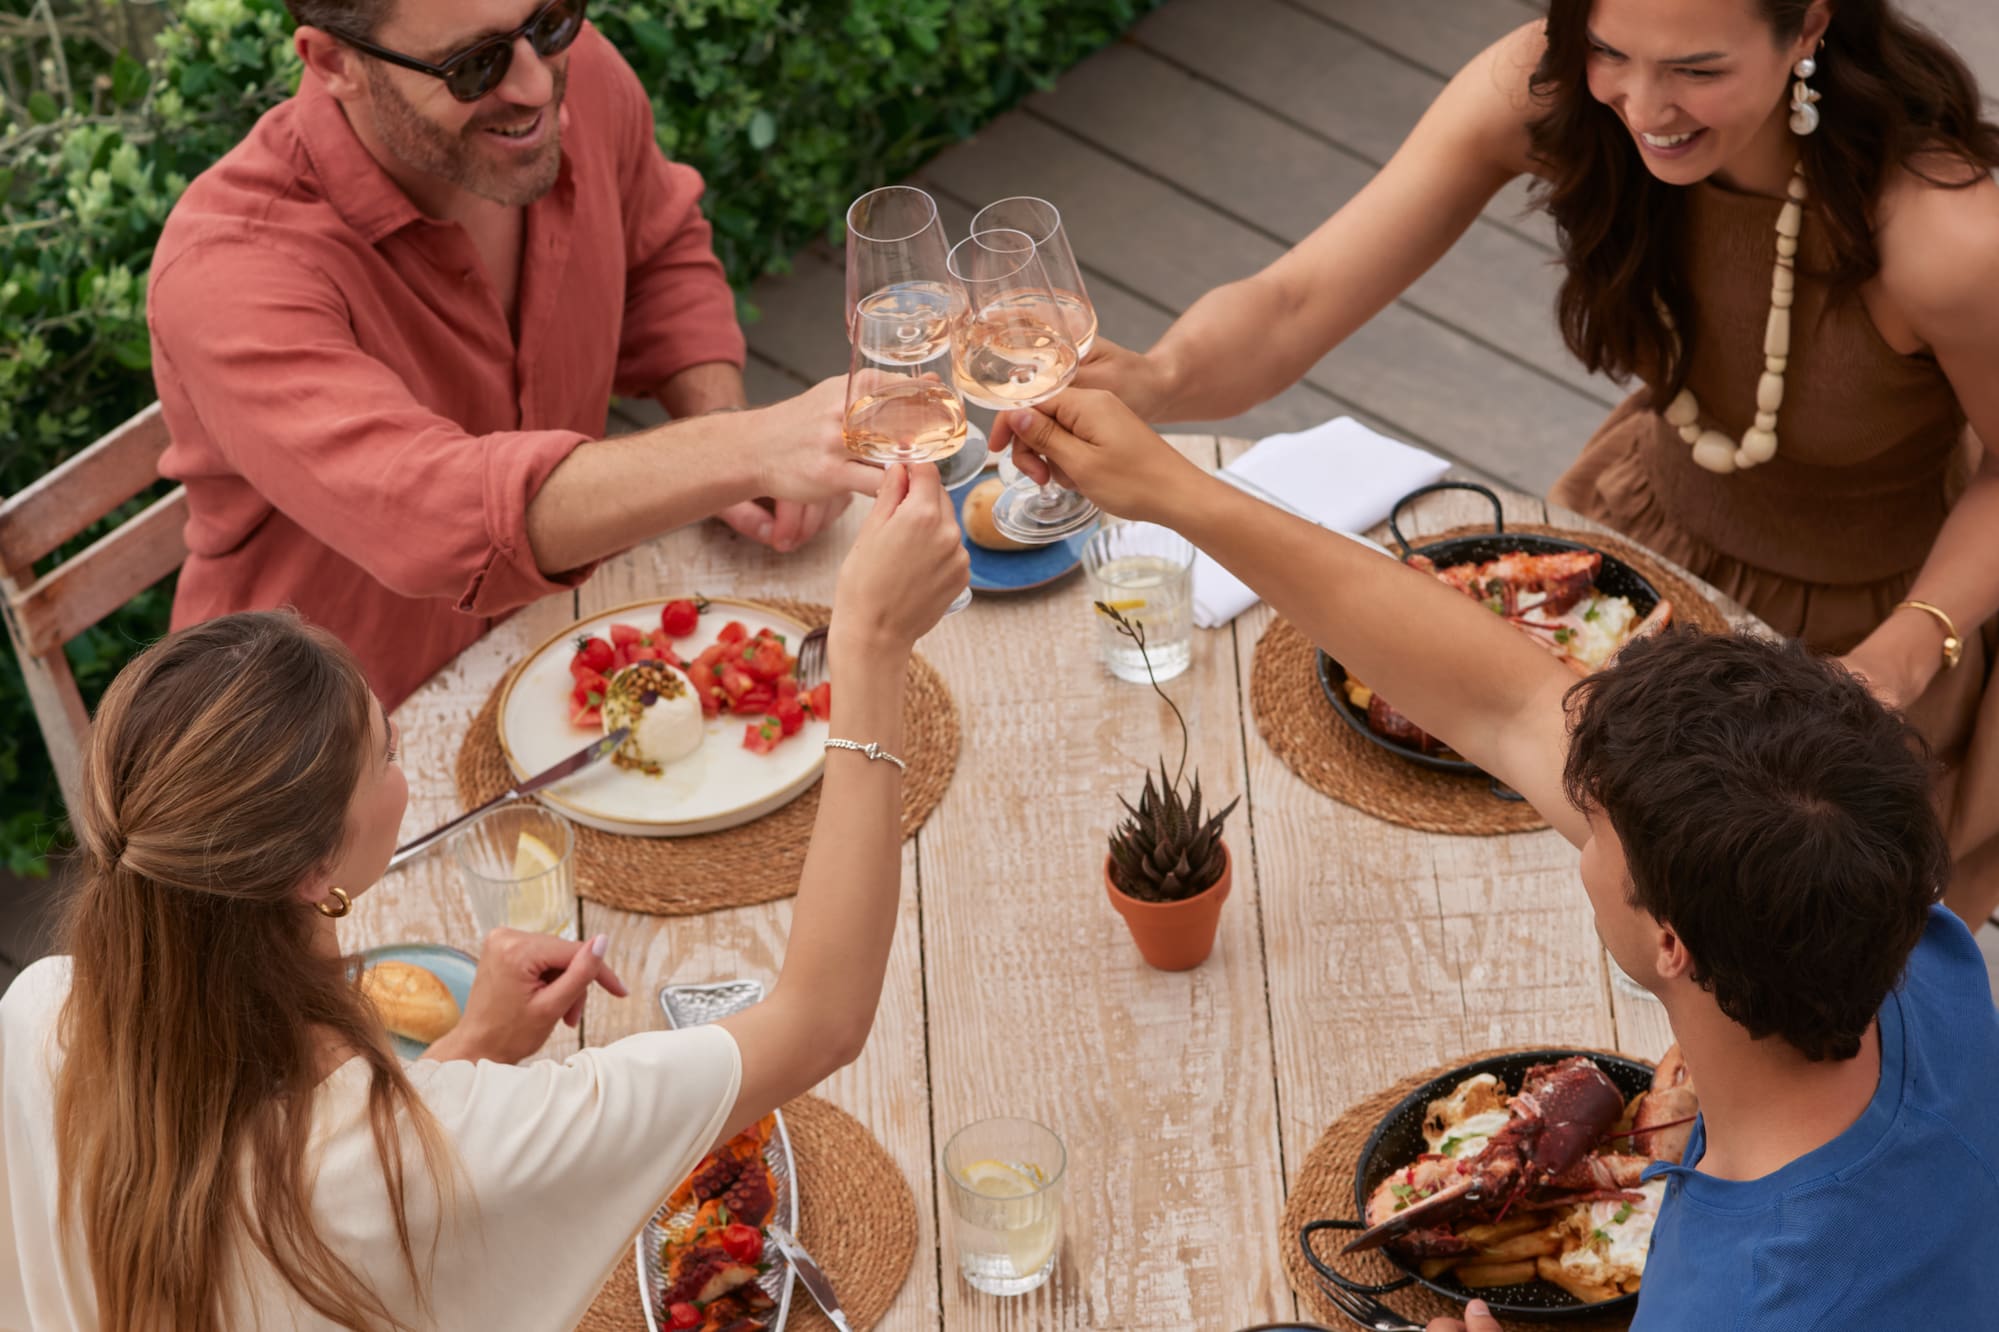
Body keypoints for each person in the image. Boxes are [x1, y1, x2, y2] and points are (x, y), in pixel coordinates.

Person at [1003, 391, 1999, 1329]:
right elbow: (1507, 701)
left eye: (1595, 823)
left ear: (1670, 942)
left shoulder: (1739, 1301)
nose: (1573, 809)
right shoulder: (1907, 947)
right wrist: (1169, 488)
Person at [1010, 0, 1999, 925]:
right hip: (1622, 561)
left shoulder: (1944, 235)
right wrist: (1160, 375)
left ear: (1808, 28)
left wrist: (1901, 654)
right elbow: (1293, 304)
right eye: (1611, 52)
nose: (1645, 109)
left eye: (1696, 70)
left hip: (1873, 628)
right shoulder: (1554, 91)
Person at [0, 462, 966, 1330]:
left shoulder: (38, 1014)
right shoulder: (447, 1152)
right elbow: (820, 1022)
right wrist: (870, 648)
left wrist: (472, 1050)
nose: (404, 759)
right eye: (383, 752)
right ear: (310, 874)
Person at [148, 0, 879, 709]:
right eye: (473, 65)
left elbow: (656, 254)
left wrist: (721, 426)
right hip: (325, 757)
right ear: (334, 61)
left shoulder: (570, 75)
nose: (533, 85)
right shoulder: (230, 267)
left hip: (556, 655)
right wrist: (744, 449)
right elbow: (435, 519)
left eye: (551, 19)